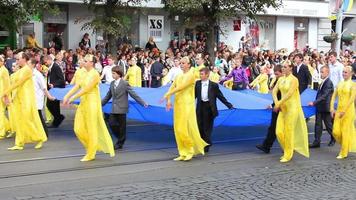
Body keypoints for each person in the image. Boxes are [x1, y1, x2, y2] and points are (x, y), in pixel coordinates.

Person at [63, 54, 115, 162]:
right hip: (84, 103)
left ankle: (91, 153)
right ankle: (93, 146)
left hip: (92, 103)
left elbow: (86, 89)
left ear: (92, 63)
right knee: (78, 129)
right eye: (84, 61)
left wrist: (73, 98)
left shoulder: (95, 74)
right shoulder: (83, 73)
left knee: (92, 128)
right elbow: (77, 86)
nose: (84, 62)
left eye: (86, 61)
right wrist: (66, 96)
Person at [162, 56, 208, 161]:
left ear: (189, 64)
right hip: (178, 105)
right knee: (177, 129)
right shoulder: (178, 76)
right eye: (181, 63)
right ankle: (182, 152)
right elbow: (172, 87)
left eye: (183, 63)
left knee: (185, 128)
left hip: (187, 104)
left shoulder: (191, 75)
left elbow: (181, 87)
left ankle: (190, 150)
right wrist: (168, 100)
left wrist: (167, 94)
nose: (181, 65)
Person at [1, 52, 47, 150]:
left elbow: (17, 83)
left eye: (18, 59)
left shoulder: (27, 70)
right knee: (19, 121)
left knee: (27, 120)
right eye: (16, 59)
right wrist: (10, 96)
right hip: (19, 98)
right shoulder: (21, 70)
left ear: (24, 59)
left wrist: (5, 93)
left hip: (27, 99)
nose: (17, 61)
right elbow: (13, 81)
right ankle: (19, 143)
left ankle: (40, 138)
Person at [102, 66, 148, 150]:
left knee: (122, 126)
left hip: (122, 108)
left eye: (114, 73)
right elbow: (108, 96)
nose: (112, 75)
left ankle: (120, 143)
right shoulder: (112, 84)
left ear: (119, 74)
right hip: (114, 108)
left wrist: (142, 102)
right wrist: (100, 104)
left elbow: (133, 94)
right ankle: (121, 137)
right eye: (112, 73)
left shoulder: (124, 83)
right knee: (111, 123)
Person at [272, 61, 309, 162]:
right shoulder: (280, 79)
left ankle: (288, 154)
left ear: (290, 68)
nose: (283, 69)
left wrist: (278, 103)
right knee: (279, 132)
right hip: (283, 109)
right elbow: (274, 91)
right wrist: (277, 103)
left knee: (289, 131)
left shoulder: (294, 80)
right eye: (282, 67)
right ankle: (288, 148)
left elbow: (289, 94)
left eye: (285, 67)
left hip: (292, 109)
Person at [195, 68, 233, 153]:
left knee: (207, 127)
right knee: (199, 126)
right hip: (200, 107)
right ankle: (205, 142)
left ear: (207, 75)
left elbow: (220, 96)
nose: (200, 75)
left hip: (210, 108)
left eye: (202, 74)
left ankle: (206, 144)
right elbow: (193, 96)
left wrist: (228, 104)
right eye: (200, 74)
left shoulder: (214, 85)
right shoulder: (197, 84)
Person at [330, 66, 356, 159]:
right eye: (343, 72)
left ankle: (343, 152)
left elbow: (351, 99)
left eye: (346, 72)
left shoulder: (353, 85)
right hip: (339, 110)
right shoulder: (339, 83)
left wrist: (344, 111)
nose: (344, 74)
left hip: (348, 111)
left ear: (351, 73)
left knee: (345, 131)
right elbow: (333, 96)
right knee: (336, 131)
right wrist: (332, 108)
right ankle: (346, 144)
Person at [256, 65, 283, 154]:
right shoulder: (278, 80)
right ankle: (266, 146)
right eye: (275, 74)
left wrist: (276, 105)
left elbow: (282, 96)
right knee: (273, 128)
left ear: (282, 72)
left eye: (277, 74)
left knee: (278, 128)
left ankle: (267, 146)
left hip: (281, 108)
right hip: (277, 107)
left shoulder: (284, 82)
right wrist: (272, 105)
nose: (276, 76)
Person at [308, 66, 335, 148]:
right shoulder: (323, 81)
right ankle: (317, 142)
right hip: (320, 107)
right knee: (318, 125)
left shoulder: (329, 82)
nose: (321, 74)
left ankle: (334, 138)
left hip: (325, 107)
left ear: (327, 72)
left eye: (322, 72)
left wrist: (314, 102)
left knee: (328, 125)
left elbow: (324, 96)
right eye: (320, 72)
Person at [30, 58, 56, 137]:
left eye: (28, 63)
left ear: (33, 65)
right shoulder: (29, 73)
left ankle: (44, 133)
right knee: (35, 117)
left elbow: (44, 88)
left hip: (37, 98)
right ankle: (39, 133)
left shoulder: (37, 74)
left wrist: (49, 96)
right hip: (32, 98)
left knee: (39, 117)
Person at [44, 55, 66, 128]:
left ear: (50, 60)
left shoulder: (56, 67)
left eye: (46, 61)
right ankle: (57, 119)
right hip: (52, 89)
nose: (45, 63)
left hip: (56, 90)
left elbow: (62, 80)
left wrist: (54, 84)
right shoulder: (51, 67)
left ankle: (58, 118)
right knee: (53, 106)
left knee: (51, 105)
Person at [0, 56, 11, 138]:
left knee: (1, 113)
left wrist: (6, 96)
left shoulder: (4, 70)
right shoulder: (1, 70)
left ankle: (2, 132)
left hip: (2, 94)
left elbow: (7, 84)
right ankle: (8, 126)